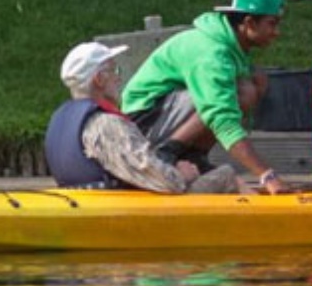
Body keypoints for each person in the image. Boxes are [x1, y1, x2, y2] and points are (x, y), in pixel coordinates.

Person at [120, 0, 294, 195]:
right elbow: (222, 118)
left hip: (166, 113)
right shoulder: (212, 54)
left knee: (255, 83)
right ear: (249, 23)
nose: (277, 32)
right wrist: (268, 175)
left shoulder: (230, 44)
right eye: (272, 23)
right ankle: (164, 153)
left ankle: (193, 158)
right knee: (237, 92)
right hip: (142, 124)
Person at [45, 41, 241, 193]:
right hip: (121, 207)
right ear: (99, 79)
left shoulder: (60, 118)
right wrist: (182, 174)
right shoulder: (105, 123)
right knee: (227, 176)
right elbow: (159, 179)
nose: (118, 77)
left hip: (82, 200)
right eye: (113, 71)